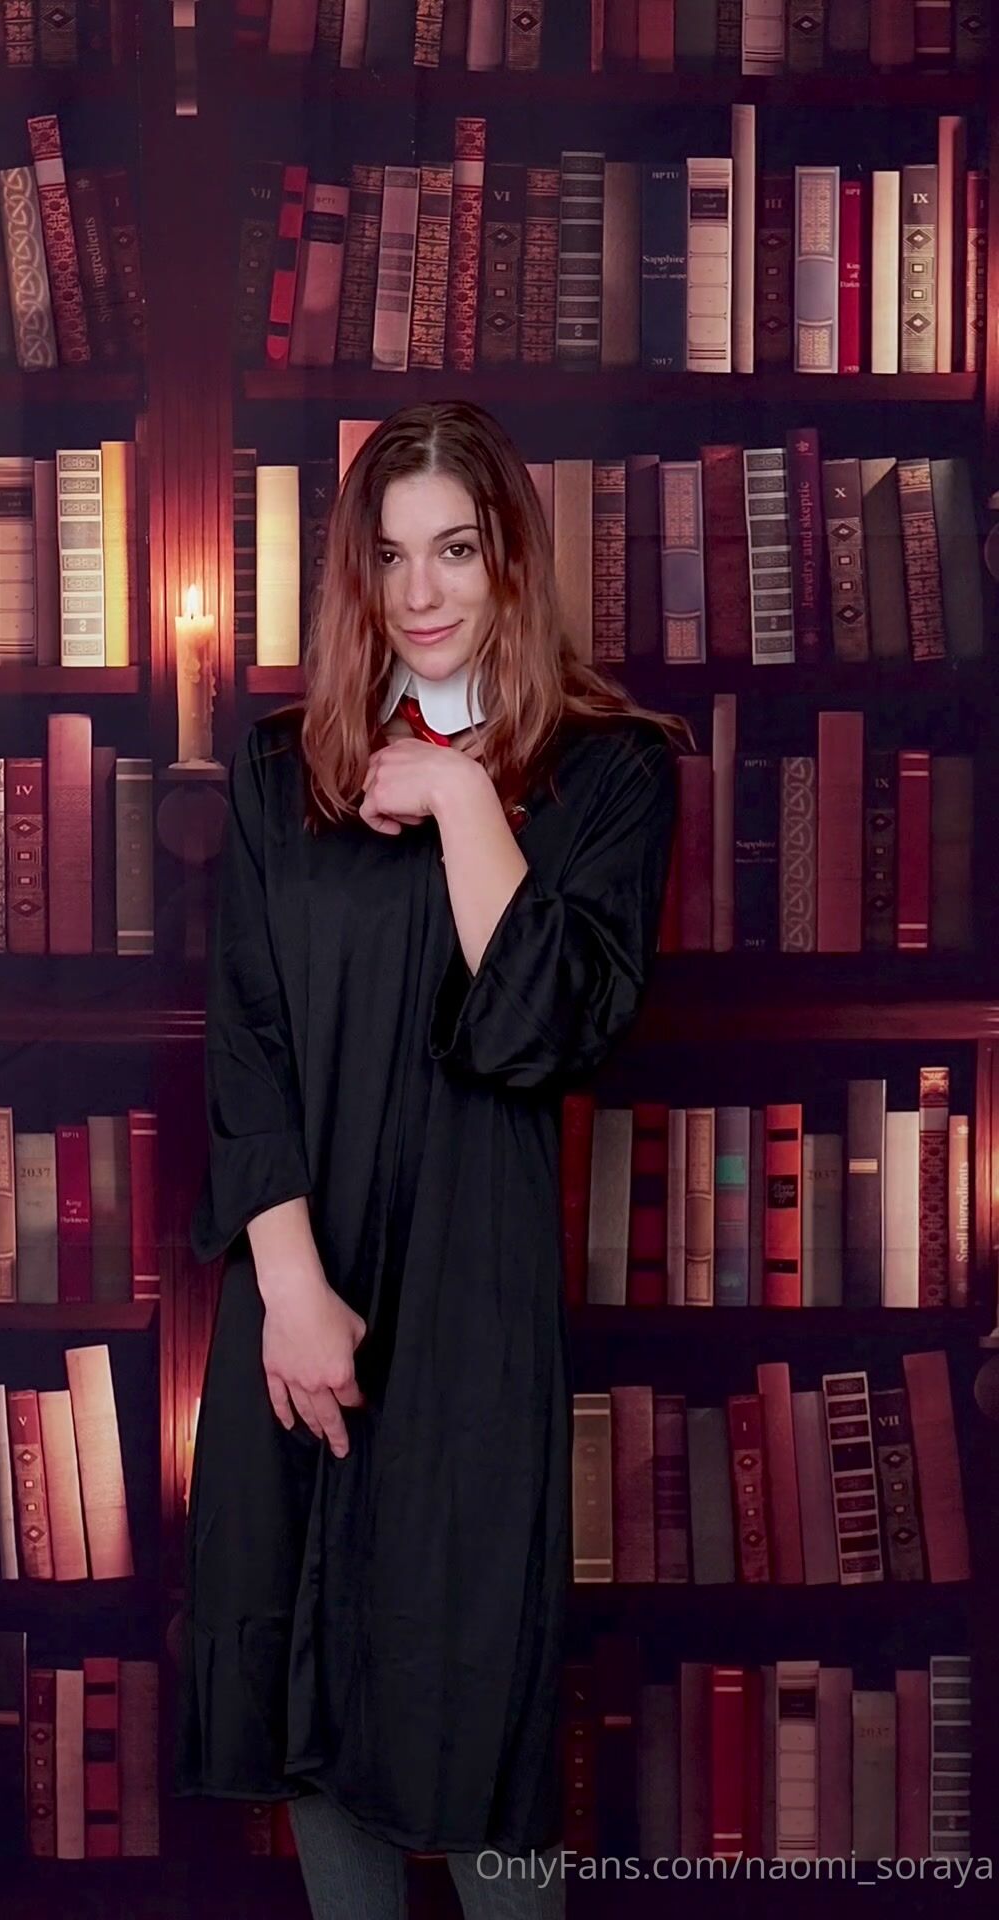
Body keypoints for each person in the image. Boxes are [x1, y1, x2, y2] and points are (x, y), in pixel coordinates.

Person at [176, 400, 686, 1918]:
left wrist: (463, 794)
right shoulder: (282, 770)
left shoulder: (610, 772)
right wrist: (289, 1293)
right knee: (307, 1698)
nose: (422, 592)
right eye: (391, 558)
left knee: (477, 1706)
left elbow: (546, 1028)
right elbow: (246, 1043)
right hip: (304, 1293)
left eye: (455, 550)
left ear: (509, 559)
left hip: (471, 1309)